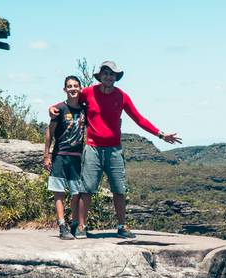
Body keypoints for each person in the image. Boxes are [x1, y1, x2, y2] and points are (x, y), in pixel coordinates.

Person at [50, 60, 181, 239]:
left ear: (116, 77)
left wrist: (160, 134)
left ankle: (122, 226)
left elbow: (138, 118)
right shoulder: (89, 92)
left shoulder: (122, 96)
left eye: (112, 74)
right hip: (93, 148)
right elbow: (71, 101)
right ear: (100, 75)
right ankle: (81, 226)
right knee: (86, 189)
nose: (108, 76)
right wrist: (54, 107)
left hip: (114, 150)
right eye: (105, 73)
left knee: (119, 189)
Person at [43, 75, 86, 240]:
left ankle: (74, 224)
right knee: (59, 192)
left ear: (80, 88)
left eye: (76, 86)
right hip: (60, 155)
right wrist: (46, 155)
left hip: (76, 157)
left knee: (76, 193)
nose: (73, 88)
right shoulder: (59, 109)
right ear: (65, 89)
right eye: (69, 86)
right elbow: (50, 131)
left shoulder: (84, 110)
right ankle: (62, 226)